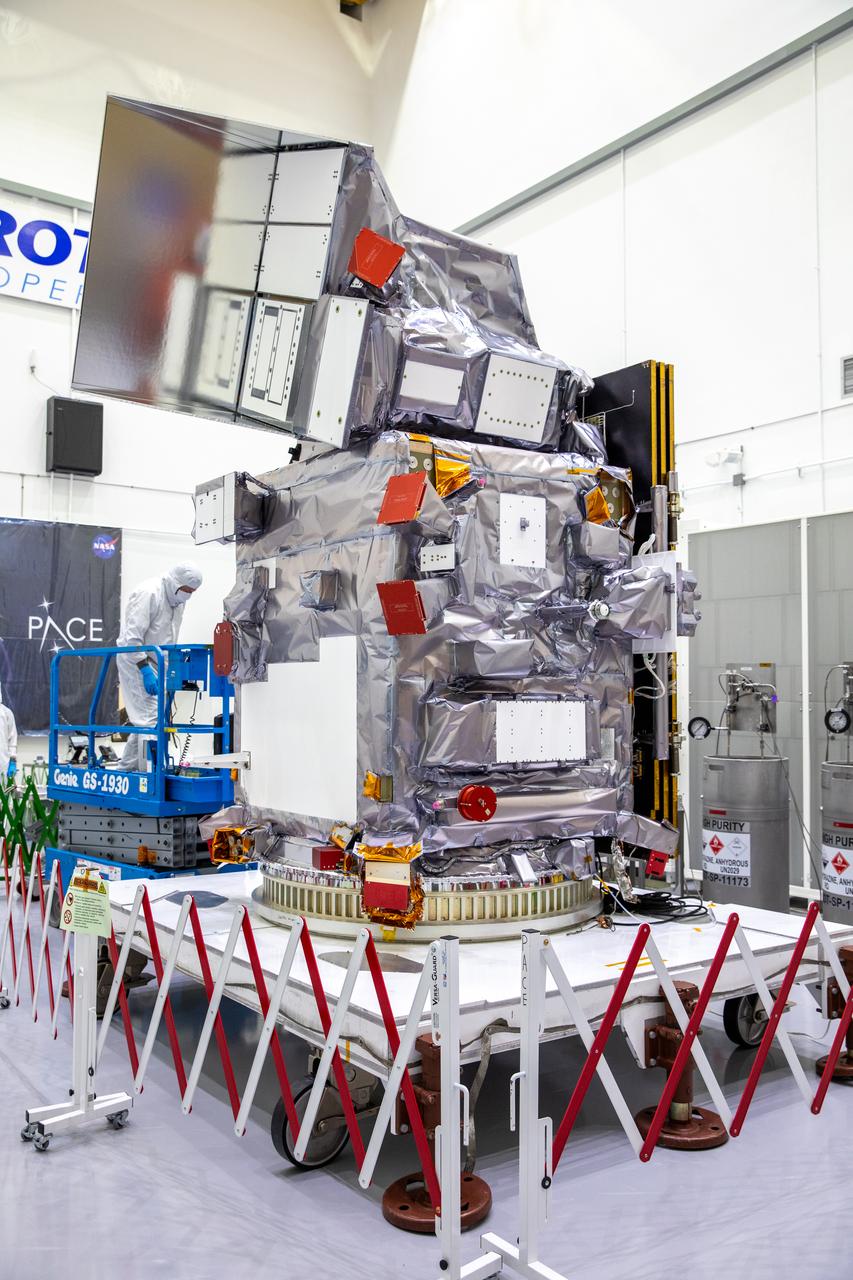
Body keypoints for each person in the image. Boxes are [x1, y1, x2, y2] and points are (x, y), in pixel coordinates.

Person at [116, 563, 203, 771]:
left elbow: (168, 638)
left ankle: (126, 770)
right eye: (186, 590)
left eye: (192, 592)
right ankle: (149, 776)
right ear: (176, 583)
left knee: (151, 720)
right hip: (136, 659)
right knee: (149, 718)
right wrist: (144, 668)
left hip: (158, 662)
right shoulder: (149, 593)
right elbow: (132, 638)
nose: (188, 596)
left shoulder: (177, 601)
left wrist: (172, 668)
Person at [0, 684, 17, 784]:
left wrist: (13, 761)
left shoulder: (6, 713)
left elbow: (13, 739)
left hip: (3, 764)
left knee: (3, 795)